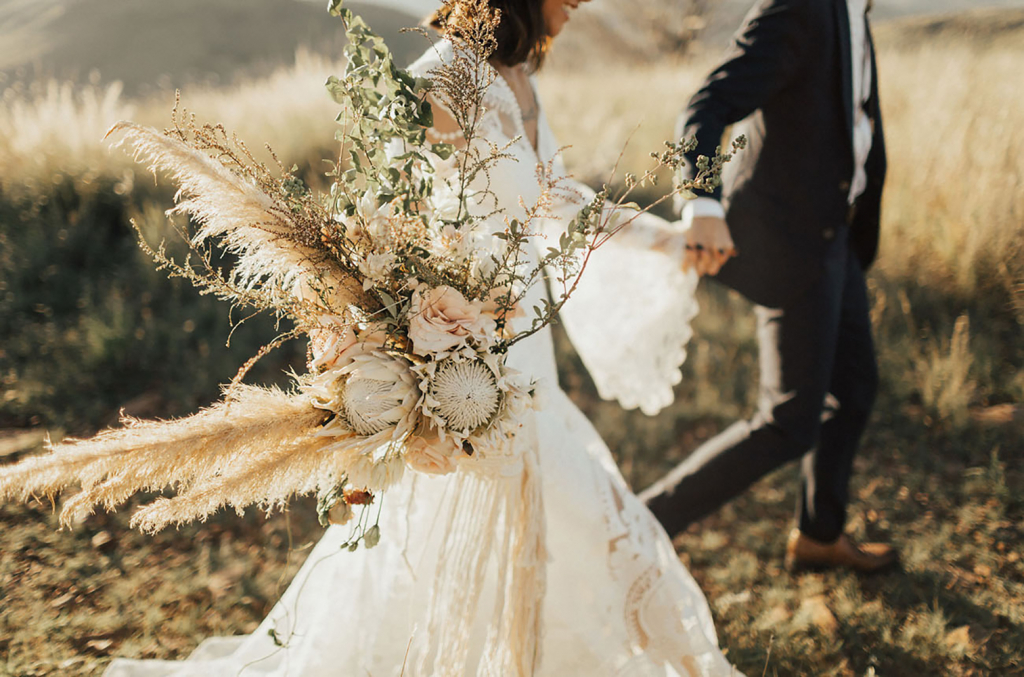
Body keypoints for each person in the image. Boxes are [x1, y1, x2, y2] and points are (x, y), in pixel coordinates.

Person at [103, 1, 742, 675]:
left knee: (540, 516)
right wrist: (381, 334)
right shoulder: (439, 79)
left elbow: (554, 199)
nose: (582, 0)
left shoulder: (516, 73)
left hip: (522, 338)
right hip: (463, 349)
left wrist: (663, 238)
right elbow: (383, 215)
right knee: (482, 517)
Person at [640, 0, 897, 573]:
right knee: (787, 421)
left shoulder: (855, 12)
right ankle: (643, 524)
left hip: (839, 236)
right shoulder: (801, 8)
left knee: (854, 389)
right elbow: (708, 105)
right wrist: (701, 200)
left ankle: (819, 536)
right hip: (791, 242)